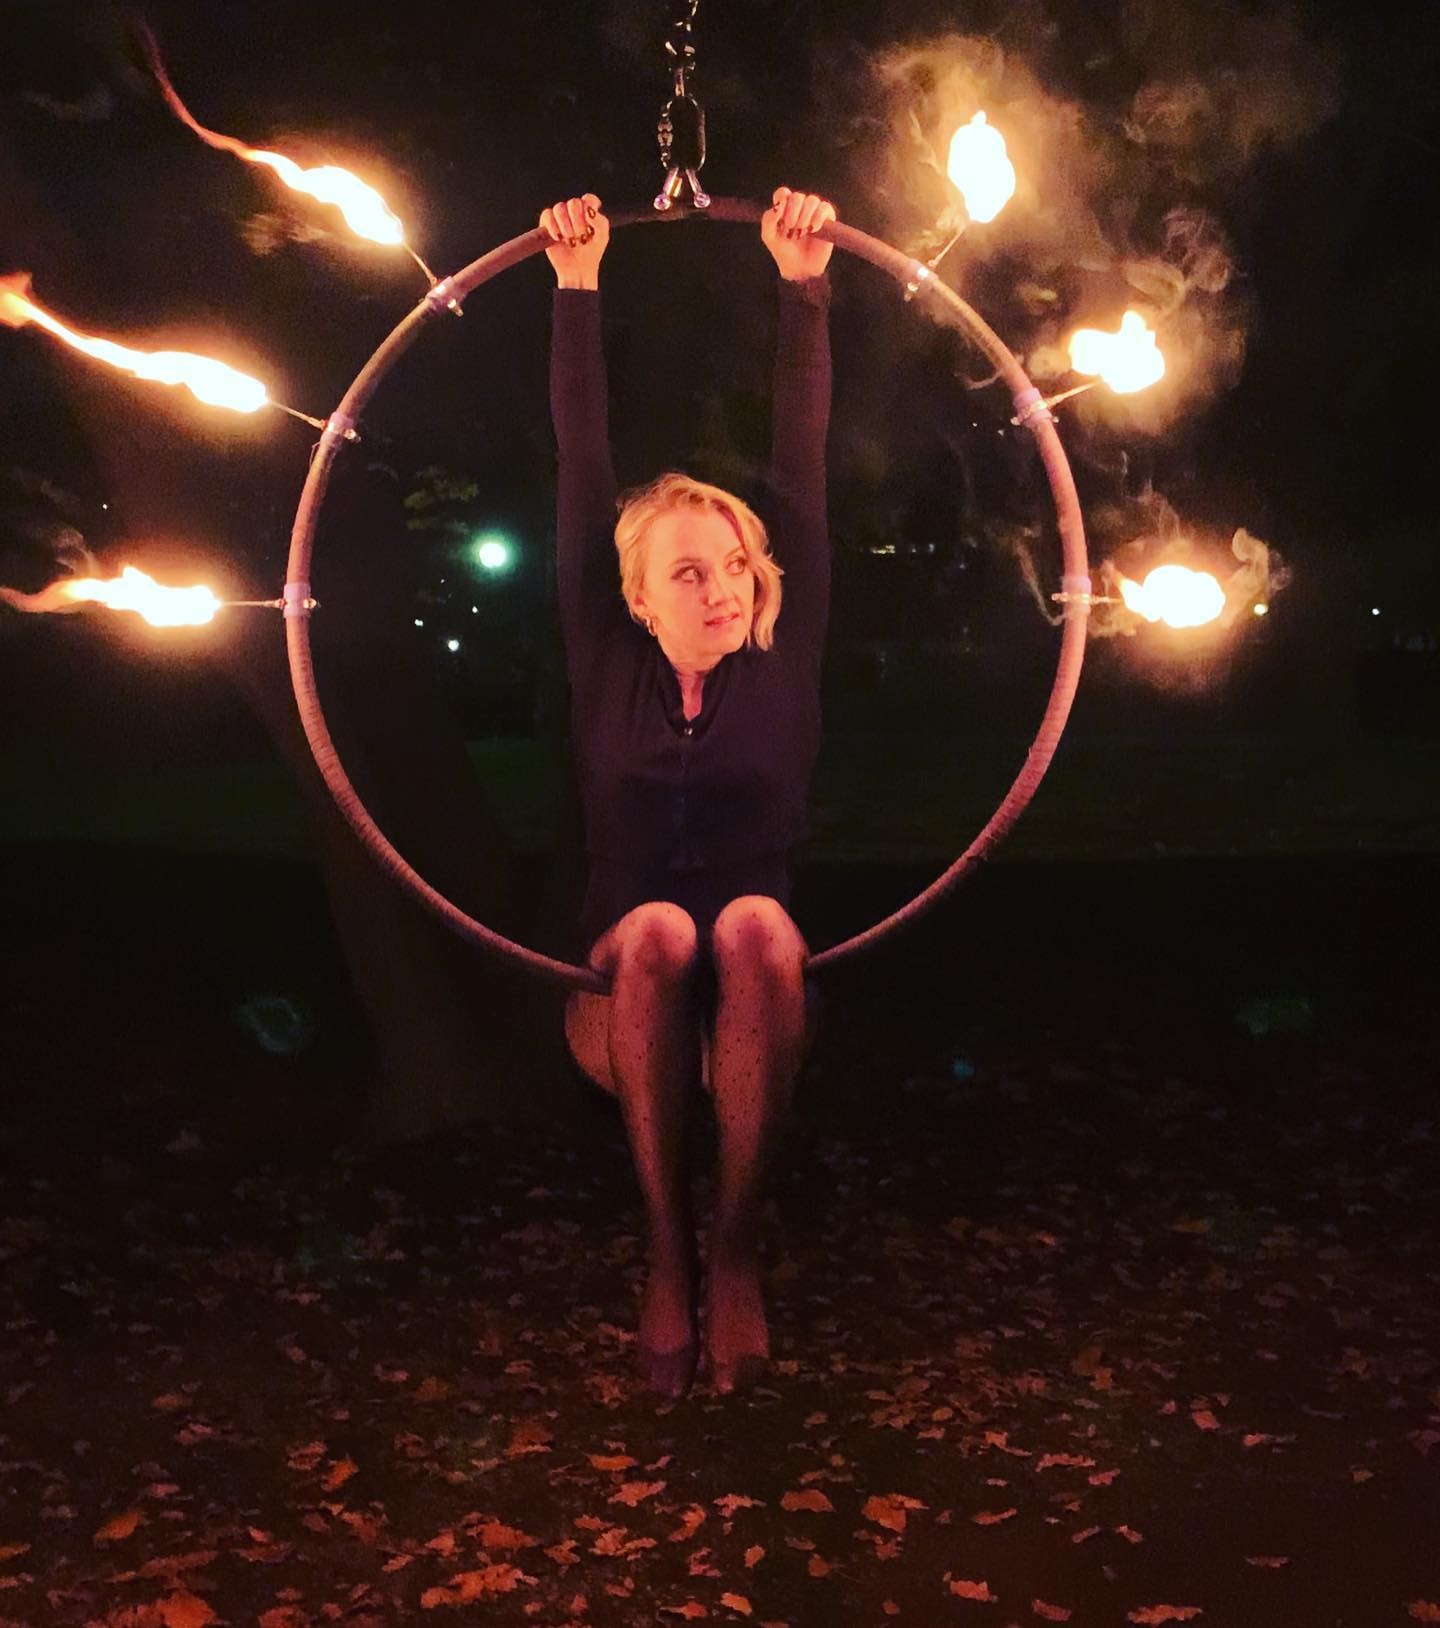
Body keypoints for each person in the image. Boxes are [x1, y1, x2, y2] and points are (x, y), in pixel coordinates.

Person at [542, 186, 836, 1396]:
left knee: (754, 920)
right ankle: (667, 1251)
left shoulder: (785, 651)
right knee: (662, 925)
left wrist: (803, 283)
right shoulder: (601, 652)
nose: (719, 588)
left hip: (759, 997)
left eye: (734, 566)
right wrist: (576, 285)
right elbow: (583, 461)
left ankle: (736, 1249)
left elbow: (801, 462)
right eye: (687, 572)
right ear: (636, 596)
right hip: (626, 998)